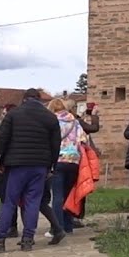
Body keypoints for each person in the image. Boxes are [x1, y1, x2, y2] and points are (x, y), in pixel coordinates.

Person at [0, 88, 60, 253]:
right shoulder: (50, 117)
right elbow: (55, 144)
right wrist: (51, 165)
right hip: (39, 164)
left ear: (24, 99)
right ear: (39, 100)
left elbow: (2, 138)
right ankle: (27, 240)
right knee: (33, 201)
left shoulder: (13, 115)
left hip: (16, 164)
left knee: (9, 202)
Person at [47, 98, 87, 237]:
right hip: (74, 161)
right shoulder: (75, 122)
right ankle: (68, 225)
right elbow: (83, 140)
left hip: (58, 160)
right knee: (69, 194)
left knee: (57, 196)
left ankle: (58, 228)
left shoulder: (51, 122)